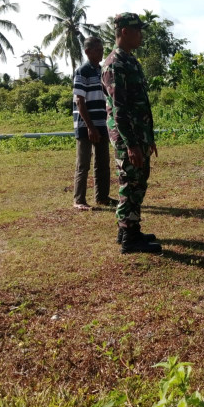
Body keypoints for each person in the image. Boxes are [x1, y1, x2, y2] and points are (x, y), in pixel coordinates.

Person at [101, 13, 161, 253]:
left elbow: (140, 105)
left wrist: (148, 138)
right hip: (129, 139)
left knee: (137, 183)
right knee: (130, 184)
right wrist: (132, 145)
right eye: (138, 30)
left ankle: (128, 229)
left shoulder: (130, 61)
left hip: (139, 136)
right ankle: (130, 239)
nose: (141, 35)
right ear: (124, 31)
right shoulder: (115, 64)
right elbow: (120, 110)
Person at [72, 36, 116, 211]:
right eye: (97, 50)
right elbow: (79, 101)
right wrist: (89, 127)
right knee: (83, 164)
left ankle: (102, 197)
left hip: (102, 123)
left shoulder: (102, 70)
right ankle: (79, 199)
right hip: (86, 124)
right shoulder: (82, 71)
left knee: (103, 163)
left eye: (102, 49)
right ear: (87, 52)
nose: (101, 52)